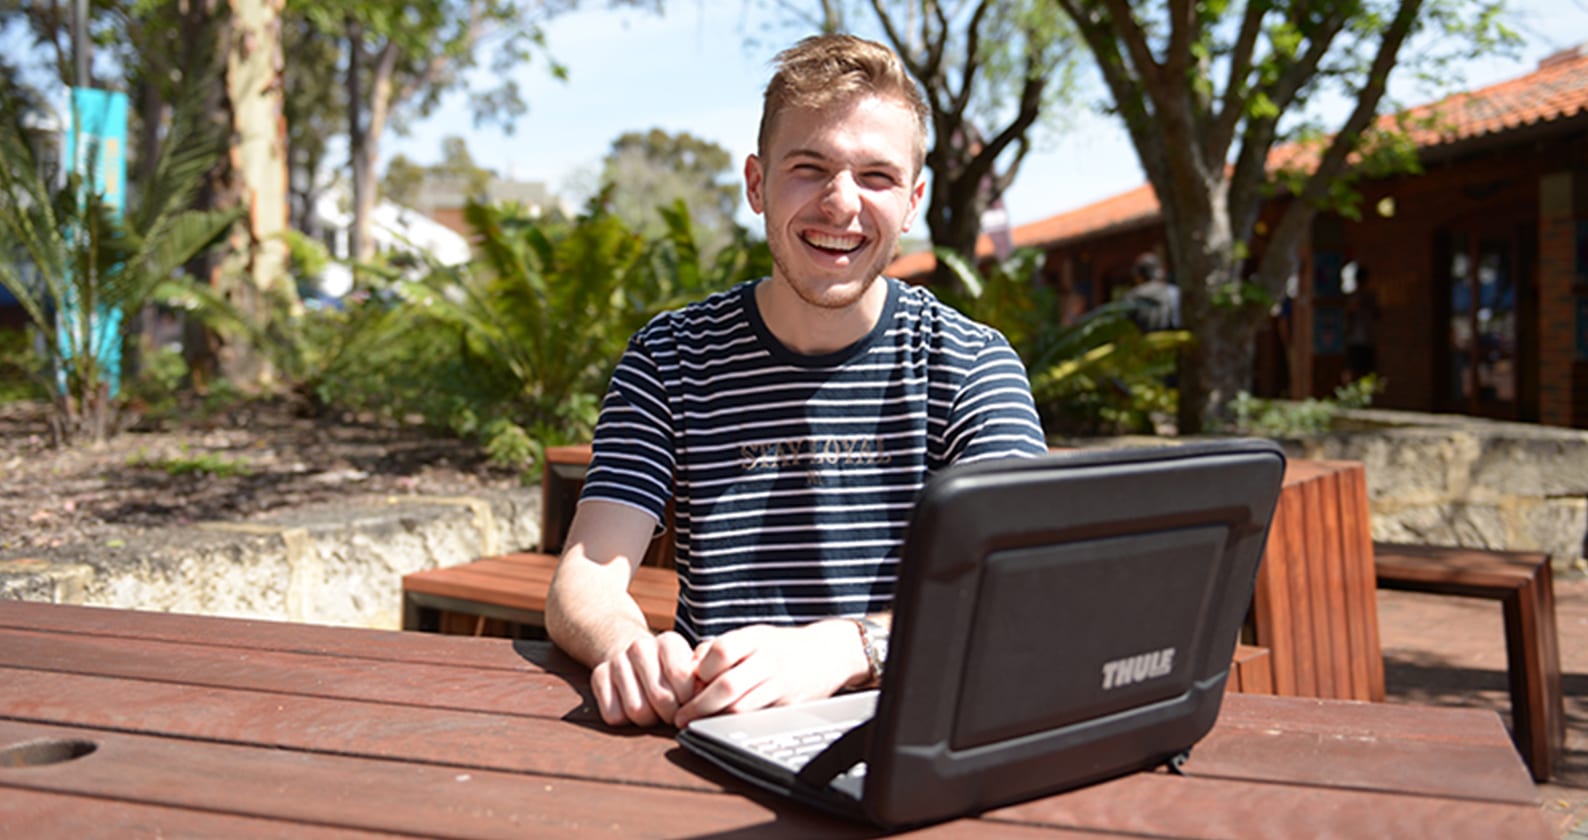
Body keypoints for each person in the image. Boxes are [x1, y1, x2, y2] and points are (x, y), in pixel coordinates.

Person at [545, 34, 1049, 730]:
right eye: (809, 168)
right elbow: (589, 573)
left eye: (877, 176)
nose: (841, 205)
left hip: (911, 726)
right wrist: (626, 646)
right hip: (710, 727)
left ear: (912, 202)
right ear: (757, 184)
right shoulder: (670, 356)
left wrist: (847, 648)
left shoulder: (970, 363)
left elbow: (1021, 585)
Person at [1124, 252, 1181, 333]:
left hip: (1144, 344)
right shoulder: (1173, 292)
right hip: (1174, 341)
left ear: (1138, 276)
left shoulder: (1132, 296)